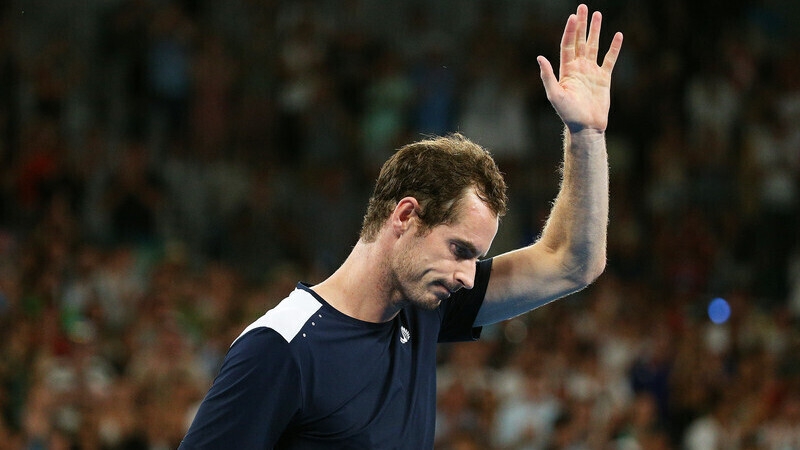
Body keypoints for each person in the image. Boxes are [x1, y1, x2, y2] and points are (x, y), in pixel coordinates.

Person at [178, 4, 623, 449]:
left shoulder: (426, 306)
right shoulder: (280, 348)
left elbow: (572, 263)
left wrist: (586, 135)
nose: (468, 276)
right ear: (406, 216)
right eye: (460, 250)